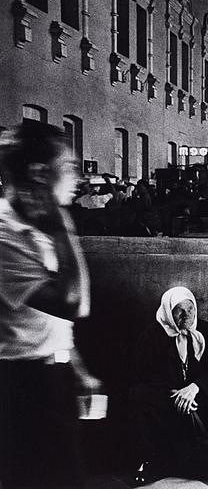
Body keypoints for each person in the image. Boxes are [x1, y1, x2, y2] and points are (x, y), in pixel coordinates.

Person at [0, 122, 92, 488]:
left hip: (51, 374)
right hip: (20, 385)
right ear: (39, 173)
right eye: (68, 167)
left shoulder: (34, 227)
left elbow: (47, 320)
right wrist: (62, 219)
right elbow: (75, 303)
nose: (78, 177)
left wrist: (76, 367)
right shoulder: (5, 236)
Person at [128, 286, 208, 486]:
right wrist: (174, 393)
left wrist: (194, 388)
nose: (187, 315)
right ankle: (150, 458)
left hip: (194, 392)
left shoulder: (207, 331)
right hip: (167, 394)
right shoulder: (151, 335)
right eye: (180, 310)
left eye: (191, 309)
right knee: (138, 394)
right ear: (168, 311)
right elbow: (144, 373)